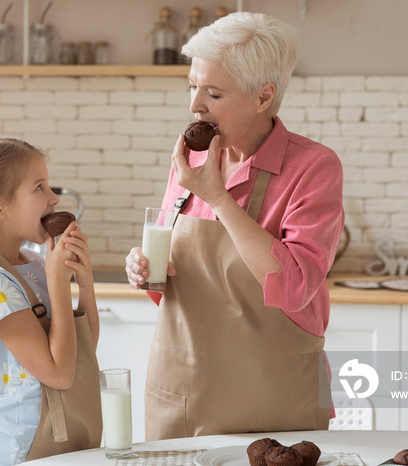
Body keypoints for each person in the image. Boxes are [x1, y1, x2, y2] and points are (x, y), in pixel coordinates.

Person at [125, 12, 344, 440]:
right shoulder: (192, 159)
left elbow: (296, 287)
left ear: (263, 97)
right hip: (181, 397)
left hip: (275, 404)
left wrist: (219, 199)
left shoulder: (313, 167)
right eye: (192, 86)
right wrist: (146, 269)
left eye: (213, 93)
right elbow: (177, 284)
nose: (194, 105)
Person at [0, 138, 102, 465]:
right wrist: (57, 282)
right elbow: (59, 375)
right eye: (39, 188)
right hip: (11, 454)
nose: (54, 198)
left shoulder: (32, 264)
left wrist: (84, 284)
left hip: (45, 451)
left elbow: (81, 352)